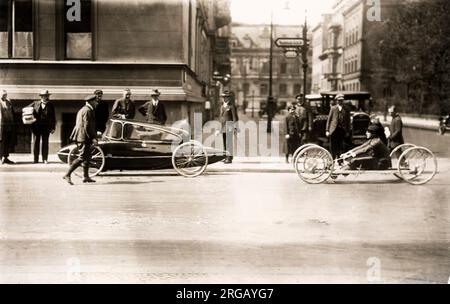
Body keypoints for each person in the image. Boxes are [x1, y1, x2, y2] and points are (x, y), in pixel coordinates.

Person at [63, 95, 98, 185]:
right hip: (83, 138)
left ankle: (86, 177)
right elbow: (87, 126)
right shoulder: (87, 111)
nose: (97, 103)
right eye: (95, 101)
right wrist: (93, 137)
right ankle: (67, 174)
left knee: (87, 157)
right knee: (82, 157)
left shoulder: (83, 109)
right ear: (91, 102)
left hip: (82, 136)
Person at [28, 89, 56, 164]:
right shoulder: (35, 103)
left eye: (46, 96)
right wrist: (29, 118)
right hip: (36, 127)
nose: (44, 97)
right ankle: (35, 159)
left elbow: (53, 117)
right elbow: (26, 109)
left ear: (48, 96)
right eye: (43, 96)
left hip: (46, 127)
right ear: (41, 96)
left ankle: (45, 159)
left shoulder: (51, 105)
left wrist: (53, 128)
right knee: (36, 143)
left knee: (45, 143)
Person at [326, 94, 351, 161]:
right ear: (336, 101)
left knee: (341, 145)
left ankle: (340, 160)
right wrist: (327, 130)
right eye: (339, 100)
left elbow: (348, 121)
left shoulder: (346, 109)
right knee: (333, 145)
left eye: (341, 100)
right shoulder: (333, 108)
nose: (340, 102)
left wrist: (348, 131)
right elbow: (329, 119)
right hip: (334, 130)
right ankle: (332, 159)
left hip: (342, 130)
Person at [218, 90, 238, 164]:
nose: (224, 98)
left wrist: (235, 127)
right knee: (224, 142)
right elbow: (221, 117)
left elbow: (234, 117)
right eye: (224, 97)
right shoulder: (222, 106)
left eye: (226, 97)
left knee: (229, 142)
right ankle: (226, 156)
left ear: (229, 98)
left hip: (229, 125)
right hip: (223, 126)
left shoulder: (232, 106)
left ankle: (229, 158)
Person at [0, 90, 17, 164]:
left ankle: (6, 157)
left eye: (5, 95)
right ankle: (1, 158)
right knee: (1, 142)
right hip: (1, 126)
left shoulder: (9, 102)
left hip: (9, 125)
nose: (4, 96)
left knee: (7, 142)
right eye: (3, 95)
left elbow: (12, 113)